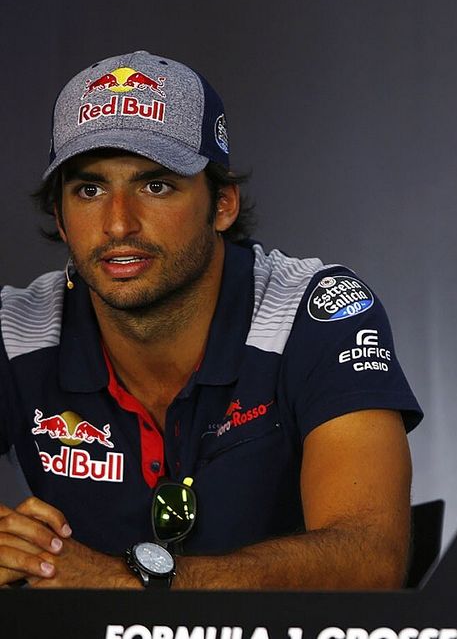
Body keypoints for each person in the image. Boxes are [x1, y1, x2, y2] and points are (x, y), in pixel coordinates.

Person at [0, 51, 422, 589]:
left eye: (156, 186)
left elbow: (370, 560)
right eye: (90, 189)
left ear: (222, 204)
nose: (118, 223)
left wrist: (127, 585)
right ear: (59, 216)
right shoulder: (16, 329)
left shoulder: (314, 313)